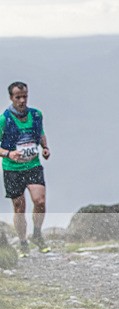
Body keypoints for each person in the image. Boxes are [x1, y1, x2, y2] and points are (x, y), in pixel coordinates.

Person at [1, 82, 51, 257]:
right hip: (12, 169)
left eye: (25, 96)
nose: (22, 100)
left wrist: (45, 147)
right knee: (19, 207)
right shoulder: (4, 119)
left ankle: (37, 234)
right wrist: (8, 153)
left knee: (40, 201)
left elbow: (41, 133)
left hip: (32, 165)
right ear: (11, 98)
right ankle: (23, 242)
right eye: (18, 97)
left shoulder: (36, 115)